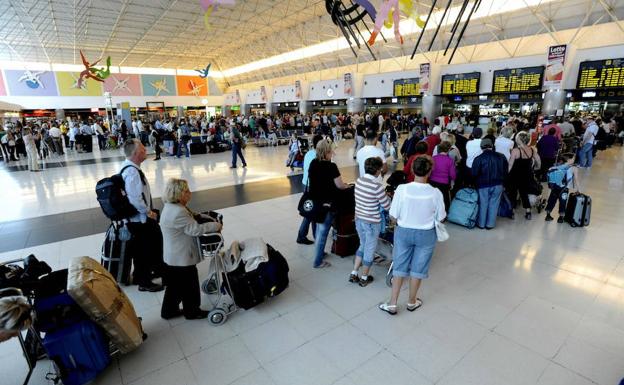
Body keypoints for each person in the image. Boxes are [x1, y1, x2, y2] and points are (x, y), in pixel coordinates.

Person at [379, 156, 445, 315]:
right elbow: (441, 217)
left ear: (412, 170)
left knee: (399, 266)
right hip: (426, 235)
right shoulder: (436, 193)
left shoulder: (402, 189)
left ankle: (393, 303)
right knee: (418, 269)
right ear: (430, 171)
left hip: (404, 232)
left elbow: (393, 215)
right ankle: (411, 301)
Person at [160, 179, 222, 320]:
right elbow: (196, 230)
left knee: (174, 286)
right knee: (190, 285)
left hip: (173, 255)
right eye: (187, 191)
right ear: (179, 194)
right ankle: (192, 311)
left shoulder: (172, 206)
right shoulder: (178, 212)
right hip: (182, 257)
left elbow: (193, 215)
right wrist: (215, 226)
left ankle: (168, 311)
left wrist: (206, 216)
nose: (190, 193)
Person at [121, 139, 164, 292]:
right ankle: (145, 282)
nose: (146, 150)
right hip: (139, 220)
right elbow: (135, 198)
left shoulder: (129, 168)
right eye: (143, 149)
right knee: (146, 249)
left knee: (140, 249)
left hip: (136, 219)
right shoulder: (132, 172)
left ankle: (140, 275)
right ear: (136, 153)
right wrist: (148, 212)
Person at [308, 139, 349, 268]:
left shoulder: (313, 163)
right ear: (327, 152)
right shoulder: (331, 167)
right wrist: (346, 186)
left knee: (320, 230)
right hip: (328, 204)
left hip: (316, 202)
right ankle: (318, 261)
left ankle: (319, 253)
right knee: (323, 232)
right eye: (331, 151)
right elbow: (340, 185)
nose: (333, 153)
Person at [350, 157, 391, 286]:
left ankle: (354, 272)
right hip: (372, 223)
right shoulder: (377, 186)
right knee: (369, 249)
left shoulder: (359, 181)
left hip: (359, 220)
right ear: (378, 170)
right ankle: (364, 277)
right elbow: (387, 206)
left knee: (363, 244)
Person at [472, 139, 508, 229]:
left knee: (483, 203)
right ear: (492, 146)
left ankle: (481, 224)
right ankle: (490, 224)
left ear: (481, 147)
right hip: (498, 184)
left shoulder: (478, 158)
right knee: (494, 203)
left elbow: (474, 173)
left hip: (483, 185)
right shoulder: (501, 156)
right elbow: (505, 171)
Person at [507, 132, 541, 220]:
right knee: (524, 193)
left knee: (513, 193)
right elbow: (538, 160)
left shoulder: (515, 150)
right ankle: (528, 211)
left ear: (519, 140)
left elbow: (510, 164)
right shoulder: (532, 150)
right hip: (527, 175)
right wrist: (537, 167)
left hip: (515, 175)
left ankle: (512, 211)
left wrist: (506, 174)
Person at [297, 135, 323, 245]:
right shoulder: (318, 156)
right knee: (312, 213)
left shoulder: (308, 153)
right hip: (313, 187)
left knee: (310, 212)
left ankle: (303, 235)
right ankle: (311, 237)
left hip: (305, 184)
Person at [544, 153, 580, 223]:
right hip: (564, 189)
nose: (574, 159)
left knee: (551, 200)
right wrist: (578, 189)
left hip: (554, 187)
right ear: (569, 160)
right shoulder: (574, 168)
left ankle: (548, 215)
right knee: (563, 202)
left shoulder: (557, 165)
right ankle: (561, 217)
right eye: (573, 158)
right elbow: (576, 179)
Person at [430, 141, 457, 211]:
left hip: (432, 181)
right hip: (444, 183)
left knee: (434, 197)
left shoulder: (433, 158)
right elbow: (452, 174)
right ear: (448, 150)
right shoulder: (450, 160)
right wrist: (452, 181)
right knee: (445, 199)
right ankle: (444, 213)